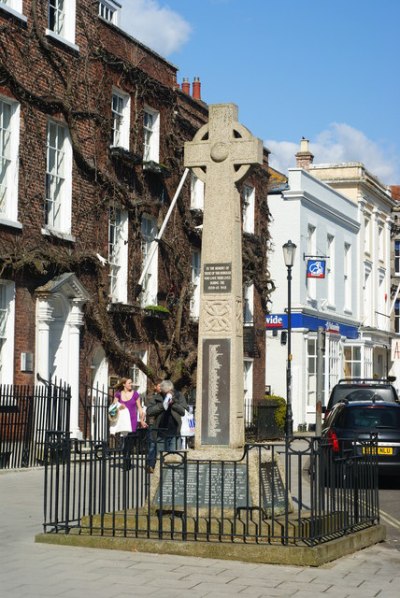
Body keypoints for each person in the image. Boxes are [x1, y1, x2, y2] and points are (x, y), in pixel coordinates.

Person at [146, 379, 187, 472]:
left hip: (174, 431)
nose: (169, 393)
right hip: (160, 431)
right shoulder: (156, 397)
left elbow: (183, 411)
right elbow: (149, 411)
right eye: (166, 392)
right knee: (161, 458)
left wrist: (173, 404)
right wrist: (162, 405)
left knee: (174, 457)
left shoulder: (179, 396)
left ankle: (173, 477)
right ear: (162, 391)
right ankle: (161, 480)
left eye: (170, 391)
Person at [109, 378, 147, 463]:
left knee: (129, 441)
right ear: (124, 384)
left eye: (131, 383)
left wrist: (142, 420)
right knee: (125, 440)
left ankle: (127, 459)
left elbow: (140, 408)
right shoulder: (118, 394)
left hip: (132, 420)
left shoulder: (135, 394)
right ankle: (126, 459)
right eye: (129, 383)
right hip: (123, 421)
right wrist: (119, 406)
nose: (131, 385)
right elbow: (112, 408)